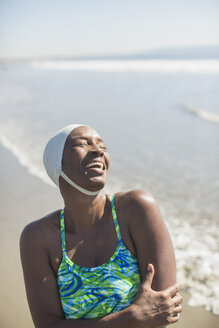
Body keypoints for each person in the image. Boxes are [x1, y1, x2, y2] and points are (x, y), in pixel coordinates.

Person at [20, 124, 182, 328]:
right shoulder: (38, 237)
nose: (97, 151)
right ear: (57, 164)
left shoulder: (136, 209)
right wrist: (132, 316)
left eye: (103, 147)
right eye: (82, 144)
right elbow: (47, 325)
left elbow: (165, 310)